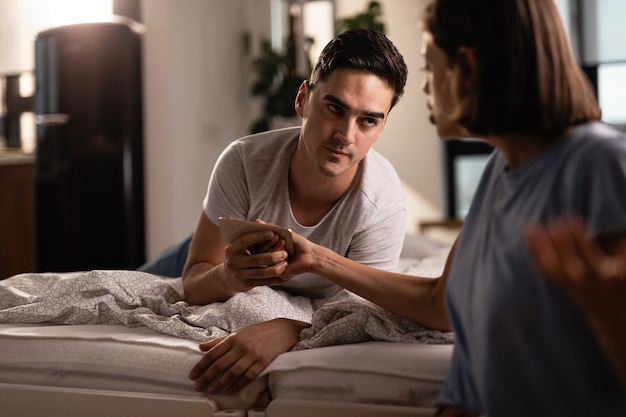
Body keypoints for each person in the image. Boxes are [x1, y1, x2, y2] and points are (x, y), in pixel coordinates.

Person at [259, 0, 626, 415]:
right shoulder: (500, 173)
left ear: (466, 67)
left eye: (429, 66)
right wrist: (318, 259)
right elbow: (440, 302)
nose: (427, 87)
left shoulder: (599, 166)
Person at [185, 28, 409, 394]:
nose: (346, 135)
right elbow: (192, 282)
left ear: (382, 127)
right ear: (303, 99)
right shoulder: (243, 161)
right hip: (213, 247)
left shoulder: (383, 202)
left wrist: (293, 328)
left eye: (368, 120)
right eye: (334, 108)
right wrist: (227, 276)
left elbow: (364, 316)